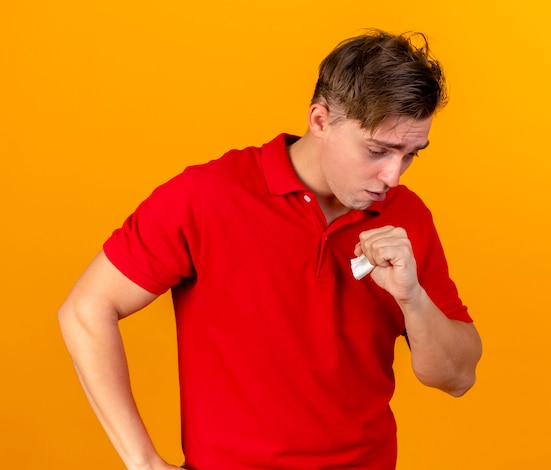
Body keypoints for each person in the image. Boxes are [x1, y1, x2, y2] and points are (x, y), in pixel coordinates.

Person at [59, 29, 482, 470]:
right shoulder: (208, 196)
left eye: (411, 154)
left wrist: (413, 297)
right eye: (378, 150)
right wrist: (143, 461)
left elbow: (456, 377)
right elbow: (86, 309)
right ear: (320, 120)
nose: (394, 177)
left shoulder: (407, 216)